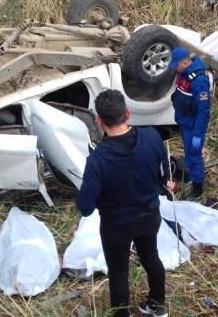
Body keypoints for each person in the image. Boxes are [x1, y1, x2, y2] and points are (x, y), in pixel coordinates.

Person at [77, 90, 169, 317]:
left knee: (119, 274)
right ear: (127, 113)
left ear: (99, 121)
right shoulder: (152, 137)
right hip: (149, 214)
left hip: (116, 225)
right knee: (151, 258)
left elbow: (85, 208)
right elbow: (164, 177)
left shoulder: (97, 160)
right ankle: (158, 305)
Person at [169, 47, 212, 199]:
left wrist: (198, 134)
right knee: (188, 153)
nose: (175, 68)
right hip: (184, 120)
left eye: (176, 65)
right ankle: (194, 176)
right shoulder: (184, 72)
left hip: (193, 125)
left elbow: (204, 111)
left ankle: (197, 188)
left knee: (193, 155)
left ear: (185, 62)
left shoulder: (199, 81)